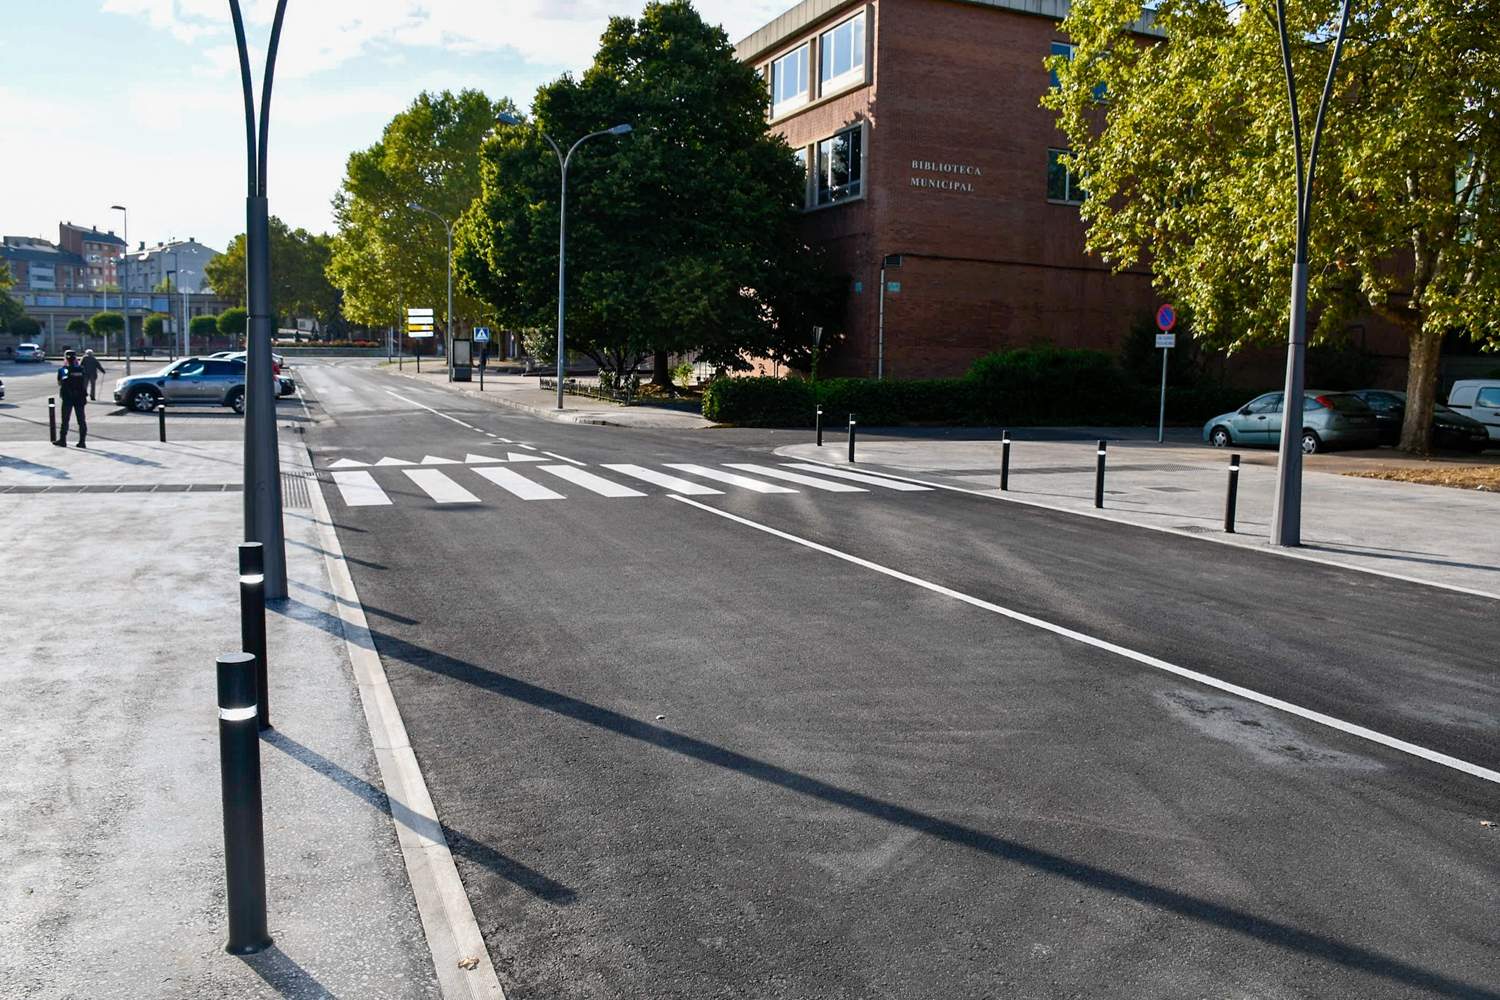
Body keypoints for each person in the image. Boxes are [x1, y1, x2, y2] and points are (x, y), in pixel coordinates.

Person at [54, 350, 88, 448]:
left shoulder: (64, 370)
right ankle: (82, 442)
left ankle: (62, 440)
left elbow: (61, 383)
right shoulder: (81, 369)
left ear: (65, 358)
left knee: (65, 420)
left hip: (68, 398)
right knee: (81, 420)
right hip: (80, 397)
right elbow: (84, 382)